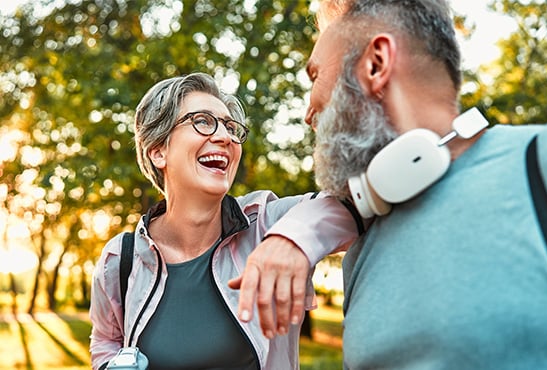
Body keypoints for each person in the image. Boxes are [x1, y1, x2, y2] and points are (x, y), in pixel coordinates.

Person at [237, 0, 547, 369]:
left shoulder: (540, 163)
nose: (309, 111)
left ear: (376, 64)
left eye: (315, 75)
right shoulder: (364, 240)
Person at [88, 72, 359, 370]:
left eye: (231, 127)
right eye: (202, 121)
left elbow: (354, 202)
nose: (224, 137)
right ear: (158, 151)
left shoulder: (267, 224)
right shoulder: (121, 260)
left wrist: (291, 241)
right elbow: (105, 342)